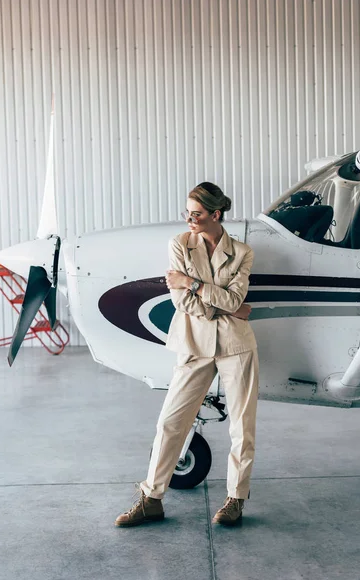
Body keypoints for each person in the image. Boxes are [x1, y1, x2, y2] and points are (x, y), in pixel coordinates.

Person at [115, 182, 258, 527]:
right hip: (194, 344)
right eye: (187, 213)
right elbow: (181, 303)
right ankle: (151, 499)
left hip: (236, 346)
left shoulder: (242, 252)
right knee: (170, 422)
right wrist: (225, 307)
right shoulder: (180, 244)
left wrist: (192, 283)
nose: (189, 219)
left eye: (196, 214)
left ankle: (235, 500)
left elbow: (231, 300)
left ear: (215, 214)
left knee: (242, 427)